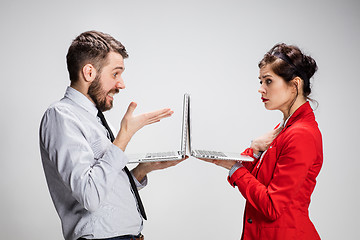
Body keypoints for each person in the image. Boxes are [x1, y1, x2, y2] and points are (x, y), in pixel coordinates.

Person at [39, 30, 184, 240]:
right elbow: (90, 197)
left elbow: (104, 193)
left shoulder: (93, 118)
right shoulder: (61, 116)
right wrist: (124, 136)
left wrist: (142, 171)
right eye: (115, 74)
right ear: (89, 73)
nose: (121, 84)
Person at [199, 43, 322, 239]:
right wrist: (254, 150)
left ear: (295, 84)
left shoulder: (301, 134)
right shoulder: (284, 128)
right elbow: (257, 183)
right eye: (260, 81)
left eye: (268, 81)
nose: (261, 89)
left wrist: (235, 168)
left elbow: (272, 205)